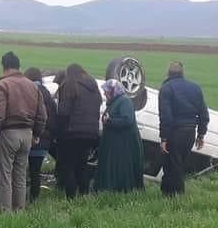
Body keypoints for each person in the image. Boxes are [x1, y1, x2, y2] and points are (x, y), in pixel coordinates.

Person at [0, 52, 47, 212]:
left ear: (3, 66)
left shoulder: (2, 85)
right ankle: (19, 210)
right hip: (27, 135)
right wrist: (37, 134)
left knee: (4, 176)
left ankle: (5, 213)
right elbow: (42, 115)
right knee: (20, 176)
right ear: (19, 66)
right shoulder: (33, 86)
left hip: (8, 134)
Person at [158, 61, 210, 196]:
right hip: (190, 133)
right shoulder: (195, 88)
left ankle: (177, 196)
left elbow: (166, 116)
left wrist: (164, 138)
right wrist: (201, 134)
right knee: (178, 163)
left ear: (168, 73)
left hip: (175, 133)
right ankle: (167, 193)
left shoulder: (166, 89)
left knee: (172, 165)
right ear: (182, 73)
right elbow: (204, 113)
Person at [57, 63, 102, 199]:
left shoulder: (69, 84)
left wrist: (59, 132)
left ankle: (71, 198)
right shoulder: (94, 86)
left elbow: (64, 112)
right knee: (82, 165)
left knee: (69, 165)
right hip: (91, 133)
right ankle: (83, 194)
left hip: (72, 133)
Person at [95, 80, 144, 192]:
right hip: (116, 143)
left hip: (123, 144)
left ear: (113, 91)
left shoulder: (124, 101)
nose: (104, 94)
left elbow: (127, 119)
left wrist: (110, 121)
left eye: (106, 91)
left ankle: (118, 190)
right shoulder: (116, 101)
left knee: (120, 167)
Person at [24, 67, 58, 202]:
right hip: (45, 138)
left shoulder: (28, 92)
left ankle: (20, 199)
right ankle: (34, 198)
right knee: (35, 171)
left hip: (29, 136)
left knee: (21, 169)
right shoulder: (47, 94)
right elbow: (53, 116)